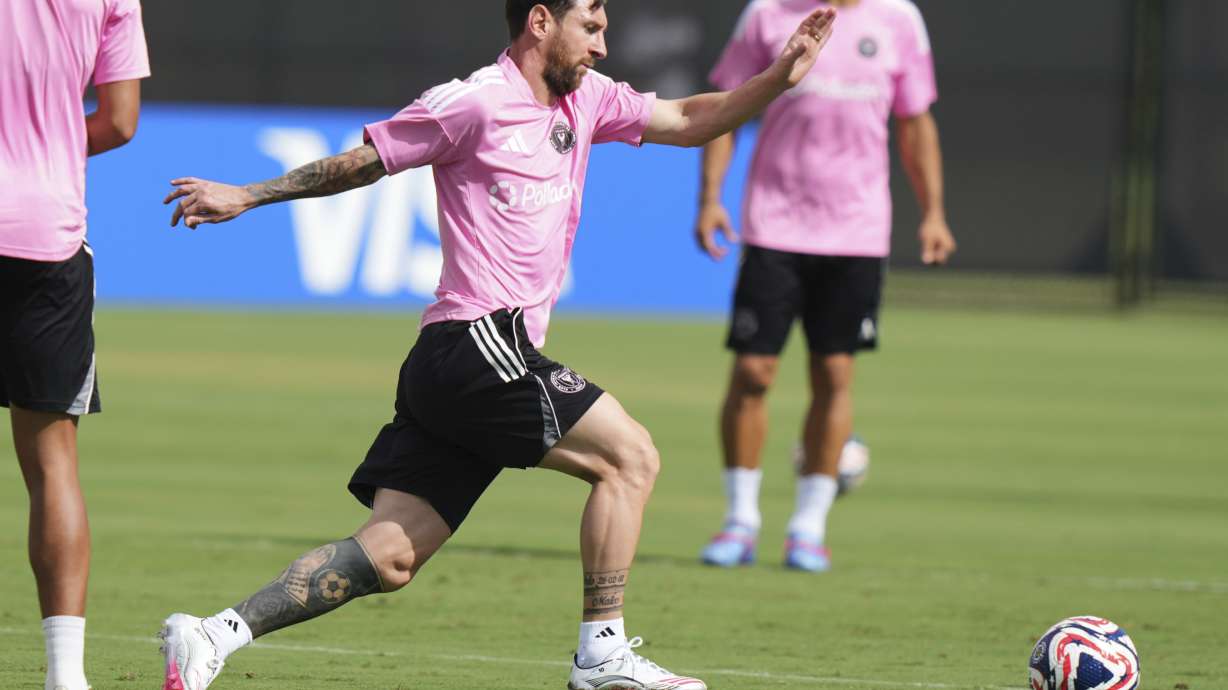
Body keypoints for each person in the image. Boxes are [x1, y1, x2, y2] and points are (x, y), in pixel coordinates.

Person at [154, 2, 836, 688]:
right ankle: (602, 654)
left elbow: (691, 120)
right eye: (591, 28)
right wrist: (246, 193)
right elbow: (366, 162)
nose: (603, 47)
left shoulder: (590, 99)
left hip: (453, 366)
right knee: (630, 459)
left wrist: (779, 76)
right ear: (541, 22)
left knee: (389, 555)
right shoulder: (472, 102)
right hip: (477, 341)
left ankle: (212, 634)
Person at [696, 0, 956, 572]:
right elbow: (725, 109)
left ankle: (808, 526)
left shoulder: (899, 19)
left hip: (857, 231)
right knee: (752, 372)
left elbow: (915, 122)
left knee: (834, 374)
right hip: (774, 223)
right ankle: (741, 519)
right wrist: (711, 198)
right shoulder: (766, 13)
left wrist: (933, 211)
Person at [0, 2, 150, 689]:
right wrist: (47, 144)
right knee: (52, 466)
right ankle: (65, 677)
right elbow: (119, 121)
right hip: (45, 238)